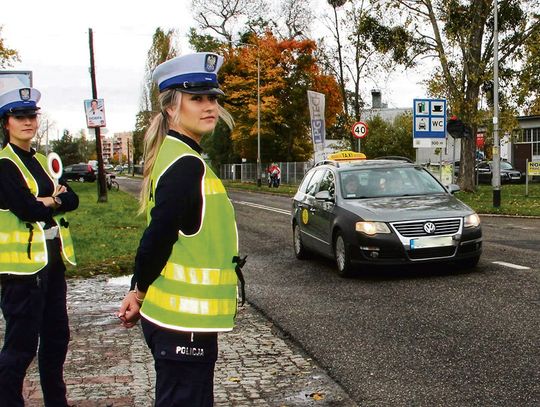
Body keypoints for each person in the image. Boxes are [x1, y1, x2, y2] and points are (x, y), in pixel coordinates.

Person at [117, 52, 246, 407]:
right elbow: (157, 238)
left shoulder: (176, 155)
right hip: (180, 322)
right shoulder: (186, 164)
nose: (209, 107)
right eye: (197, 98)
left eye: (212, 98)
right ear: (172, 108)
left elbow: (163, 235)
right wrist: (138, 292)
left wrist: (136, 289)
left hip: (181, 321)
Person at [0, 87, 79, 406]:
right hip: (21, 271)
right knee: (20, 348)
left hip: (52, 264)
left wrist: (49, 200)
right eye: (20, 117)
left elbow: (70, 199)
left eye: (32, 116)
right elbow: (26, 209)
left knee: (57, 340)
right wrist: (50, 200)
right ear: (6, 123)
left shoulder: (43, 161)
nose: (28, 122)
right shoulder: (4, 165)